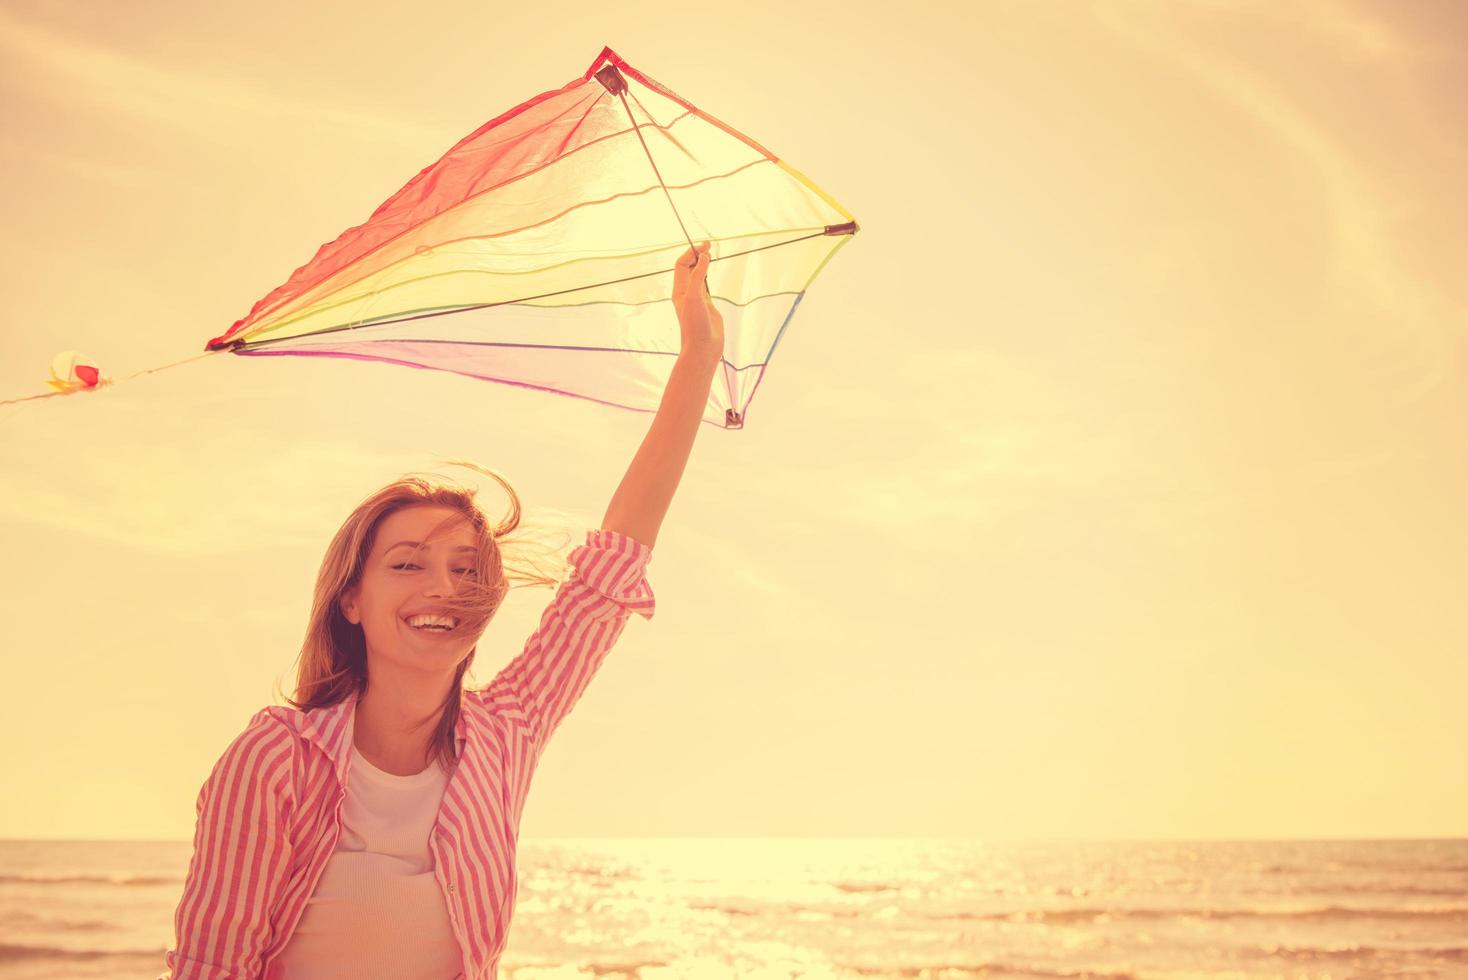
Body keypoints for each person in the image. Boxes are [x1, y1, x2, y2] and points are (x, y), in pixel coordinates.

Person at [160, 243, 724, 979]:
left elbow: (612, 566)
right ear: (351, 600)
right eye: (407, 565)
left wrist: (698, 356)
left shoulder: (507, 732)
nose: (443, 588)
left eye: (466, 569)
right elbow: (211, 967)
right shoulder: (275, 761)